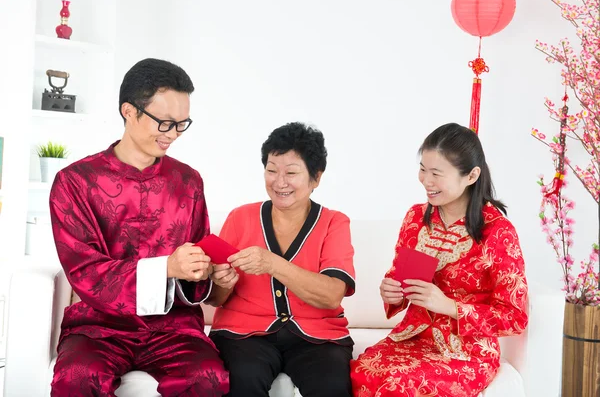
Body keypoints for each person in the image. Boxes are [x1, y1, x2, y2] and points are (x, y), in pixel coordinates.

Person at [49, 58, 229, 396]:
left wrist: (206, 272)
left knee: (208, 377)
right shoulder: (74, 182)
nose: (173, 134)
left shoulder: (188, 181)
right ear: (129, 111)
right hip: (97, 326)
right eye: (164, 123)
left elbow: (197, 259)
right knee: (76, 377)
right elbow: (86, 271)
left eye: (182, 124)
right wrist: (169, 267)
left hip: (173, 328)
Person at [350, 123, 528, 397]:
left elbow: (514, 317)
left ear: (471, 176)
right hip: (412, 337)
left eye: (436, 173)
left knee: (398, 384)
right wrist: (393, 291)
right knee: (362, 372)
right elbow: (402, 278)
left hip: (467, 351)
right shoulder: (416, 219)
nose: (426, 181)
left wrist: (449, 306)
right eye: (423, 169)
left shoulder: (497, 232)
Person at [208, 122, 356, 397]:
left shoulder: (334, 222)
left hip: (319, 337)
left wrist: (272, 263)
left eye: (291, 173)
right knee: (242, 380)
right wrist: (222, 282)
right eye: (271, 170)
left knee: (331, 387)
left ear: (316, 178)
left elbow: (332, 295)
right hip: (244, 335)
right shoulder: (240, 217)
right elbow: (216, 299)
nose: (279, 182)